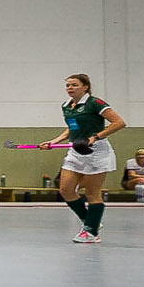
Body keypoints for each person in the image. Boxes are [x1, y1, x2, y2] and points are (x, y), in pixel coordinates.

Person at [38, 73, 126, 244]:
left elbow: (119, 123)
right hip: (76, 151)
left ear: (85, 87)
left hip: (96, 151)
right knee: (66, 190)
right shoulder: (67, 106)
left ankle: (92, 233)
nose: (70, 88)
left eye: (74, 85)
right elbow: (72, 128)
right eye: (68, 85)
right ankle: (91, 222)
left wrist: (96, 137)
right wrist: (53, 141)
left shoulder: (95, 103)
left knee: (92, 193)